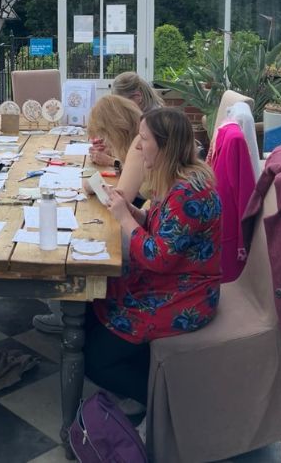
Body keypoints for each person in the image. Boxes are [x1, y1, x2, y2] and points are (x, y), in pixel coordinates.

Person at [83, 108, 225, 416]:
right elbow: (168, 230)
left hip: (185, 296)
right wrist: (139, 215)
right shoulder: (178, 179)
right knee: (93, 307)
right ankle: (141, 364)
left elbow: (157, 258)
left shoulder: (190, 194)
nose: (137, 146)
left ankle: (171, 406)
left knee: (92, 361)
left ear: (165, 146)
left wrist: (124, 219)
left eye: (143, 139)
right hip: (174, 282)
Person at [32, 94, 149, 334]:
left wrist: (92, 185)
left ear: (113, 127)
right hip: (148, 222)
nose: (102, 139)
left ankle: (69, 312)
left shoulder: (137, 146)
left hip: (144, 234)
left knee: (75, 238)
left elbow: (120, 198)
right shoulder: (138, 140)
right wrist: (112, 159)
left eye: (104, 134)